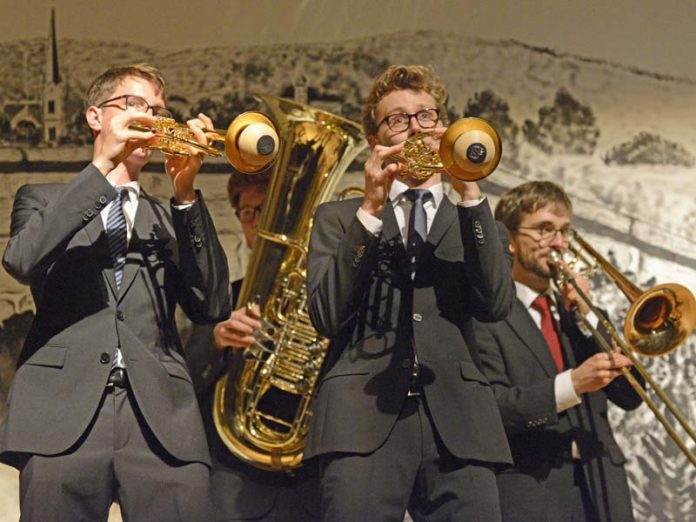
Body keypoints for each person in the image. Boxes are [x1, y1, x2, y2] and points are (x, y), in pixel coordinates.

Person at [1, 63, 230, 521]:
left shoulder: (171, 218)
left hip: (162, 419)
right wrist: (103, 166)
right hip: (62, 415)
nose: (152, 118)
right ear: (94, 117)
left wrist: (185, 193)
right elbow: (22, 261)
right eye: (134, 105)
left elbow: (212, 305)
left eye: (159, 110)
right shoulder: (42, 199)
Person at [305, 64, 516, 521]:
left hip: (461, 423)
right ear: (376, 140)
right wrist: (370, 207)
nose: (416, 128)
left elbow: (497, 304)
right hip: (359, 420)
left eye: (426, 116)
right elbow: (325, 315)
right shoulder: (340, 219)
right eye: (398, 120)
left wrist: (470, 194)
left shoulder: (479, 219)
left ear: (445, 126)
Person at [472, 181, 642, 522]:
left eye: (564, 231)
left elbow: (630, 394)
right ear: (509, 239)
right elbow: (492, 411)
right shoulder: (486, 315)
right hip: (532, 492)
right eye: (544, 230)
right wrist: (573, 384)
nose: (559, 244)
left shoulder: (576, 315)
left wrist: (589, 315)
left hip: (602, 488)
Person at [184, 170, 321, 521]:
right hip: (234, 484)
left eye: (269, 211)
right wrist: (216, 340)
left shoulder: (324, 301)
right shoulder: (222, 300)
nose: (259, 223)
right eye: (249, 213)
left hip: (309, 484)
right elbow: (185, 380)